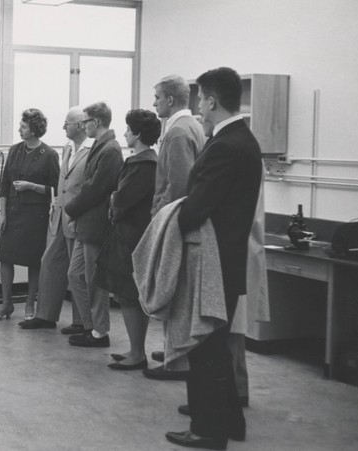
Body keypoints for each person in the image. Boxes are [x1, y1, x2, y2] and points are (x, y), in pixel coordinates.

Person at [165, 67, 261, 450]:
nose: (198, 109)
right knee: (216, 347)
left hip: (212, 265)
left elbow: (196, 208)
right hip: (227, 262)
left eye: (200, 100)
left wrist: (172, 218)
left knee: (204, 347)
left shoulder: (224, 146)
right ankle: (230, 422)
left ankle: (208, 431)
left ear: (211, 100)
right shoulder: (243, 139)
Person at [145, 74, 206, 381]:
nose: (154, 103)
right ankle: (174, 350)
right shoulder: (191, 125)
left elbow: (179, 184)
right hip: (182, 221)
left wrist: (160, 214)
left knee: (175, 291)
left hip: (174, 222)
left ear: (170, 99)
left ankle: (177, 360)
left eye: (156, 97)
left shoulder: (180, 131)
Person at [95, 109, 160, 370]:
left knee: (128, 295)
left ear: (138, 134)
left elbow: (121, 199)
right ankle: (136, 349)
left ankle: (137, 353)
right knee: (129, 295)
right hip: (131, 233)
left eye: (128, 129)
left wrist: (113, 199)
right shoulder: (143, 161)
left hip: (131, 236)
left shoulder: (143, 164)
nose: (124, 133)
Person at [18, 106, 88, 333]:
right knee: (49, 262)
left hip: (77, 217)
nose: (63, 127)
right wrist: (55, 204)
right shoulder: (68, 148)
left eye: (67, 123)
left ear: (79, 125)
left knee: (77, 272)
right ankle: (45, 316)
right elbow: (62, 181)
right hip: (60, 215)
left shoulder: (91, 149)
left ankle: (81, 322)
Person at [62, 102, 123, 348]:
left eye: (86, 121)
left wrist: (71, 208)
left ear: (96, 122)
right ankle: (91, 327)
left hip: (95, 224)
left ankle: (99, 332)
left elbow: (96, 189)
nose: (83, 124)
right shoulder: (101, 146)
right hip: (86, 223)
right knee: (75, 274)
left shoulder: (109, 149)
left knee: (95, 280)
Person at [0, 109, 59, 321]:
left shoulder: (49, 155)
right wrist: (2, 214)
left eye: (24, 126)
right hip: (12, 212)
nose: (19, 129)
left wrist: (32, 186)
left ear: (34, 130)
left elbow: (56, 189)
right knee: (6, 258)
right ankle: (6, 304)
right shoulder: (15, 150)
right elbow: (4, 185)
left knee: (33, 261)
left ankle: (30, 303)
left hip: (35, 215)